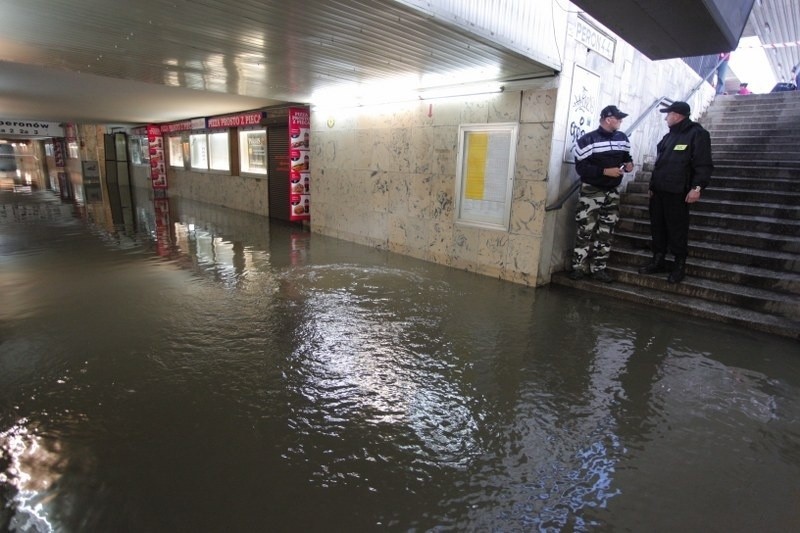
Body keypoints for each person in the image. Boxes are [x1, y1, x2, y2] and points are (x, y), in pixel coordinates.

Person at [638, 101, 713, 283]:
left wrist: (697, 188)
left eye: (668, 114)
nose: (666, 118)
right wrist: (652, 186)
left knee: (677, 230)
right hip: (659, 192)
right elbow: (660, 165)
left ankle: (679, 264)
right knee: (658, 227)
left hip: (678, 193)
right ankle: (658, 259)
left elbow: (703, 164)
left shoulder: (697, 134)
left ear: (678, 115)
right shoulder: (668, 137)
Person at [568, 105, 634, 283]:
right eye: (618, 119)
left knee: (606, 231)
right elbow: (581, 168)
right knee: (585, 230)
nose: (620, 121)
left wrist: (628, 164)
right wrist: (604, 171)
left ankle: (599, 268)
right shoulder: (587, 140)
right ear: (608, 119)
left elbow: (626, 157)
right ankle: (578, 267)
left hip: (612, 192)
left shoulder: (622, 138)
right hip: (592, 191)